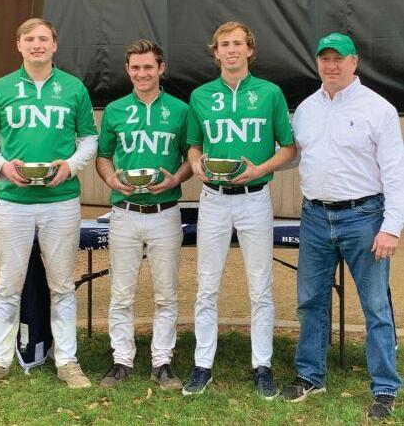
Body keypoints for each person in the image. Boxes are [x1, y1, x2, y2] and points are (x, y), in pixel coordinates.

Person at [280, 33, 404, 420]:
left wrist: (392, 227)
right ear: (317, 63)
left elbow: (395, 172)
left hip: (364, 217)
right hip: (315, 217)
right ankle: (310, 376)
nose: (331, 65)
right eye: (325, 59)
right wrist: (256, 163)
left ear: (355, 62)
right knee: (310, 301)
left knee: (375, 305)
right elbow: (294, 157)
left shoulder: (378, 109)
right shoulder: (306, 109)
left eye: (339, 58)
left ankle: (385, 388)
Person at [0, 18, 98, 391]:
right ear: (18, 44)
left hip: (60, 201)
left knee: (61, 285)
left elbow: (89, 139)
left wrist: (70, 166)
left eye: (43, 38)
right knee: (7, 286)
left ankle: (67, 361)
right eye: (29, 38)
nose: (36, 44)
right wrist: (2, 167)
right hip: (12, 201)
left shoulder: (73, 88)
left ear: (54, 45)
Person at [183, 21, 296, 397]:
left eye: (237, 43)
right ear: (215, 52)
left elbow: (288, 148)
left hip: (254, 197)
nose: (231, 50)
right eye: (224, 44)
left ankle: (262, 365)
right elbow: (193, 145)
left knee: (260, 286)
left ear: (249, 49)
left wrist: (260, 169)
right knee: (207, 285)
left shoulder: (269, 93)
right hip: (213, 198)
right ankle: (202, 365)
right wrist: (196, 164)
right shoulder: (200, 95)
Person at [96, 39, 192, 390]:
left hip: (165, 212)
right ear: (127, 70)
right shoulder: (115, 110)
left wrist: (176, 178)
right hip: (124, 212)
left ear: (161, 68)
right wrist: (111, 179)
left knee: (166, 293)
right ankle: (121, 360)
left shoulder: (180, 110)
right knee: (122, 293)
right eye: (135, 67)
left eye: (148, 67)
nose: (142, 73)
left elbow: (191, 156)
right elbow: (103, 156)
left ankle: (162, 361)